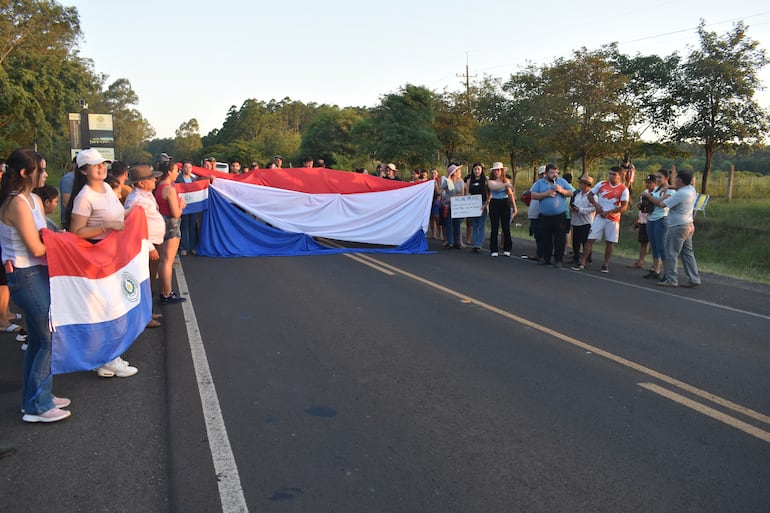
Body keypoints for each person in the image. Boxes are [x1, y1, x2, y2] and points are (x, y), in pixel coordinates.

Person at [0, 148, 71, 422]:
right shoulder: (16, 203)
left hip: (37, 274)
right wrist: (63, 246)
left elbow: (48, 232)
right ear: (24, 173)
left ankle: (36, 397)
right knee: (46, 340)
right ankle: (38, 406)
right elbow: (35, 247)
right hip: (24, 275)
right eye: (40, 170)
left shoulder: (32, 200)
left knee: (39, 341)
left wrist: (64, 239)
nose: (45, 173)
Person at [65, 148, 138, 378]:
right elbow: (76, 232)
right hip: (97, 256)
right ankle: (108, 358)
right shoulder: (85, 197)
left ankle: (106, 358)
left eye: (103, 163)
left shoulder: (107, 187)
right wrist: (106, 227)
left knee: (112, 306)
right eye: (96, 165)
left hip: (113, 256)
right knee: (108, 308)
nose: (101, 167)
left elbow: (115, 216)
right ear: (84, 170)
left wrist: (132, 215)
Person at [124, 164, 165, 328]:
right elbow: (135, 228)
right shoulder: (137, 201)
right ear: (141, 183)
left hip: (152, 242)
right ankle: (144, 316)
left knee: (148, 281)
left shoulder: (145, 195)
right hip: (145, 245)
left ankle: (147, 311)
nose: (154, 179)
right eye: (151, 178)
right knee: (143, 281)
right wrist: (150, 247)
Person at [645, 169, 701, 288]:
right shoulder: (691, 189)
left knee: (671, 252)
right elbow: (677, 187)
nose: (674, 180)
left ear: (680, 180)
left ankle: (671, 278)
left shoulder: (681, 194)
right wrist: (669, 187)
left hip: (678, 226)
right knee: (687, 253)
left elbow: (662, 204)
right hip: (689, 224)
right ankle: (694, 278)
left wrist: (649, 196)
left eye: (676, 178)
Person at [573, 166, 629, 273]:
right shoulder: (602, 184)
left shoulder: (623, 189)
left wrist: (611, 211)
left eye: (614, 175)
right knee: (590, 239)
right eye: (610, 174)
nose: (611, 176)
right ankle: (583, 262)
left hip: (613, 218)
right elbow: (590, 194)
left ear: (620, 176)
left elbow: (624, 207)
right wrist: (596, 205)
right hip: (599, 216)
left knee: (610, 241)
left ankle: (605, 264)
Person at [154, 159, 187, 303]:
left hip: (161, 223)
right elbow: (175, 213)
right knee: (167, 261)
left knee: (163, 260)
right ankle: (167, 293)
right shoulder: (169, 189)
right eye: (175, 170)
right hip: (171, 224)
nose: (177, 173)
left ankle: (164, 290)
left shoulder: (158, 186)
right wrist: (182, 206)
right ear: (169, 172)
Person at [530, 163, 574, 267]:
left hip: (559, 215)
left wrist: (561, 190)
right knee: (546, 238)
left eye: (556, 172)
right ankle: (546, 258)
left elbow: (572, 192)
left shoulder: (561, 181)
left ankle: (558, 259)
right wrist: (546, 194)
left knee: (560, 238)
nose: (554, 175)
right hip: (545, 216)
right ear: (546, 173)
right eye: (552, 172)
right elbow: (533, 195)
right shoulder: (540, 183)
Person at [641, 169, 671, 280]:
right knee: (654, 246)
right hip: (651, 218)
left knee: (662, 246)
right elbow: (652, 202)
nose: (657, 179)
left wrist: (648, 196)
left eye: (660, 177)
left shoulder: (670, 191)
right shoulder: (657, 189)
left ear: (666, 178)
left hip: (661, 219)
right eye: (656, 177)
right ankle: (656, 269)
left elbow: (661, 203)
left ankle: (668, 272)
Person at [486, 162, 516, 257]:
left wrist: (514, 207)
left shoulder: (506, 180)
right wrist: (505, 184)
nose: (497, 172)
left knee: (505, 226)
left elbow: (510, 193)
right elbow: (493, 188)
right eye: (495, 170)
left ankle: (507, 248)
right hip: (495, 202)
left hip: (505, 202)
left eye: (498, 170)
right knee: (495, 226)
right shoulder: (491, 181)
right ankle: (493, 249)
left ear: (502, 171)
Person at [627, 174, 656, 270]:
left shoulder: (657, 193)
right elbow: (641, 208)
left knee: (655, 243)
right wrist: (638, 219)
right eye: (646, 182)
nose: (647, 184)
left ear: (655, 183)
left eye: (649, 183)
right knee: (644, 242)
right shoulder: (644, 193)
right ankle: (641, 261)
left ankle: (655, 265)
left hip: (653, 220)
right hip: (643, 220)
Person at [569, 175, 595, 266]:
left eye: (581, 183)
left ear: (586, 185)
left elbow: (593, 208)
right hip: (576, 220)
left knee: (585, 241)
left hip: (586, 221)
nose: (579, 185)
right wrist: (573, 209)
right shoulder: (578, 194)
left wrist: (581, 210)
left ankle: (588, 258)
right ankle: (576, 257)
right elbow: (574, 203)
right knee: (575, 241)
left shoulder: (592, 196)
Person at [177, 160, 201, 255]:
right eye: (186, 167)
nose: (188, 169)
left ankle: (193, 246)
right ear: (182, 168)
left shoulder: (194, 179)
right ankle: (184, 247)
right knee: (184, 226)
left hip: (193, 205)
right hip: (184, 205)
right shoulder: (178, 179)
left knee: (192, 226)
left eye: (190, 167)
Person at [523, 165, 546, 261]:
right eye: (543, 174)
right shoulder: (537, 184)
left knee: (543, 234)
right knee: (537, 234)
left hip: (543, 212)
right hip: (535, 211)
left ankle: (543, 254)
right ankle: (540, 253)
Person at [465, 163, 488, 253]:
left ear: (481, 170)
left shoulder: (485, 180)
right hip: (473, 204)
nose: (476, 171)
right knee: (474, 224)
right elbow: (467, 193)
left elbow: (488, 195)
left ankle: (479, 244)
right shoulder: (470, 180)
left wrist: (485, 205)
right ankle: (475, 244)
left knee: (481, 225)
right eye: (475, 169)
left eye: (478, 169)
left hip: (482, 204)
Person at [441, 164, 465, 249]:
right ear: (454, 173)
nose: (460, 173)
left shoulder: (461, 181)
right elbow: (441, 190)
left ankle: (457, 241)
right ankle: (450, 241)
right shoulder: (447, 181)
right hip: (448, 206)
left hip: (457, 205)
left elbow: (462, 193)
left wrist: (452, 198)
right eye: (458, 171)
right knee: (449, 223)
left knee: (457, 223)